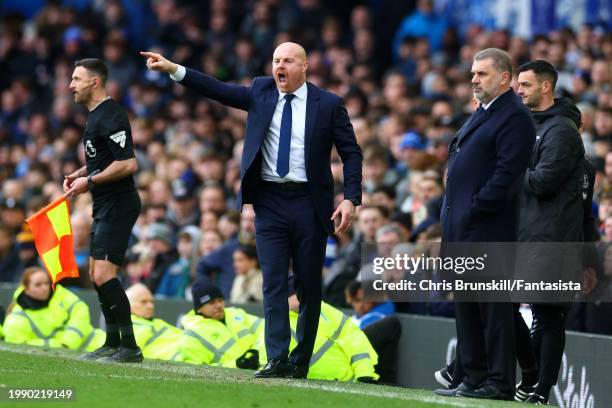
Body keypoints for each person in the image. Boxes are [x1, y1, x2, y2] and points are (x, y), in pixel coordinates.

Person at [141, 41, 362, 379]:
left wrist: (350, 198)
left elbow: (351, 153)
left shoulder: (328, 104)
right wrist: (174, 69)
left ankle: (301, 359)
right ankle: (277, 358)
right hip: (269, 202)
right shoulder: (261, 90)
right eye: (275, 60)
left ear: (305, 65)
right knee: (272, 281)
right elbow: (218, 90)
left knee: (308, 286)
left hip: (310, 204)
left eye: (287, 61)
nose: (279, 67)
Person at [437, 48, 535, 400]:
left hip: (488, 229)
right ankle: (473, 376)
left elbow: (507, 175)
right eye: (473, 74)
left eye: (482, 74)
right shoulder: (485, 112)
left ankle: (499, 382)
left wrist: (475, 207)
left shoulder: (515, 117)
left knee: (493, 310)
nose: (474, 79)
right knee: (466, 306)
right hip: (463, 227)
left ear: (505, 78)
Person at [515, 60, 586, 404]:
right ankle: (530, 379)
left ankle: (541, 389)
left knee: (546, 315)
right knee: (503, 306)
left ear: (546, 87)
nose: (518, 90)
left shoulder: (561, 131)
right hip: (527, 234)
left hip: (553, 239)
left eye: (525, 84)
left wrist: (511, 171)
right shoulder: (531, 125)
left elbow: (543, 181)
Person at [63, 58, 142, 362]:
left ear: (94, 82)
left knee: (106, 274)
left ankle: (130, 346)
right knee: (97, 274)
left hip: (120, 204)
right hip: (105, 204)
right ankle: (111, 342)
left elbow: (127, 163)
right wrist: (81, 173)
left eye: (76, 79)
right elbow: (102, 158)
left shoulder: (112, 115)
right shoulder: (94, 116)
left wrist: (90, 181)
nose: (71, 85)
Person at [256, 283, 379, 383]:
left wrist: (364, 374)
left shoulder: (331, 314)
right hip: (298, 383)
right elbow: (266, 356)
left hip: (343, 382)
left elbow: (357, 346)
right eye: (293, 293)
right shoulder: (275, 320)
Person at [3, 267, 104, 351]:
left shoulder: (61, 294)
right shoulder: (16, 318)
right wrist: (60, 345)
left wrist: (67, 343)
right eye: (38, 285)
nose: (44, 287)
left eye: (46, 283)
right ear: (26, 289)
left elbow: (80, 312)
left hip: (99, 342)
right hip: (76, 355)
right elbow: (19, 346)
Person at [175, 280, 263, 368]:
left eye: (220, 300)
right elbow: (196, 370)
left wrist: (255, 352)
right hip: (233, 380)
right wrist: (236, 364)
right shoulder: (192, 335)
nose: (218, 305)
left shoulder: (236, 313)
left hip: (263, 370)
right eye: (211, 303)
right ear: (198, 309)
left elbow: (265, 327)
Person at [125, 283, 183, 361]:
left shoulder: (153, 322)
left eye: (151, 302)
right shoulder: (130, 326)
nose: (150, 306)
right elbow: (126, 354)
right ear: (127, 305)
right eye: (143, 302)